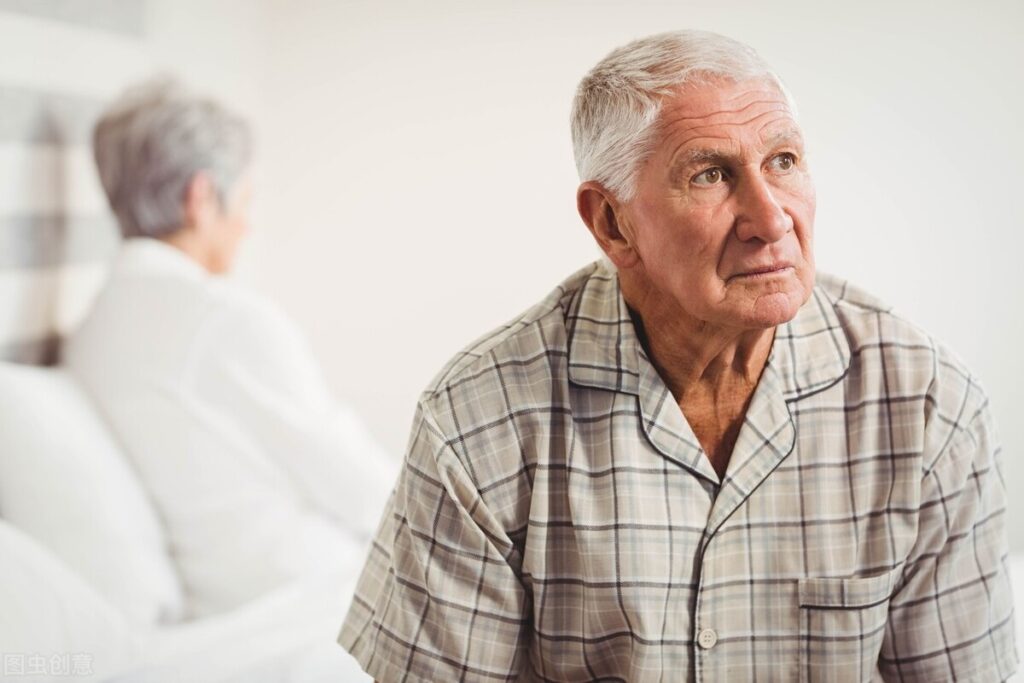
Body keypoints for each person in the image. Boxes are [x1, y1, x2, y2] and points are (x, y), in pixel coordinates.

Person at [338, 30, 1017, 681]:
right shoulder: (478, 420)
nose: (772, 218)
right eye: (711, 174)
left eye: (783, 161)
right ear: (612, 222)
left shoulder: (926, 402)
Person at [63, 79, 397, 620]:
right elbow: (365, 492)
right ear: (200, 198)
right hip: (310, 594)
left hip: (228, 600)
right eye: (243, 199)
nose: (247, 224)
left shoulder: (91, 331)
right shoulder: (221, 320)